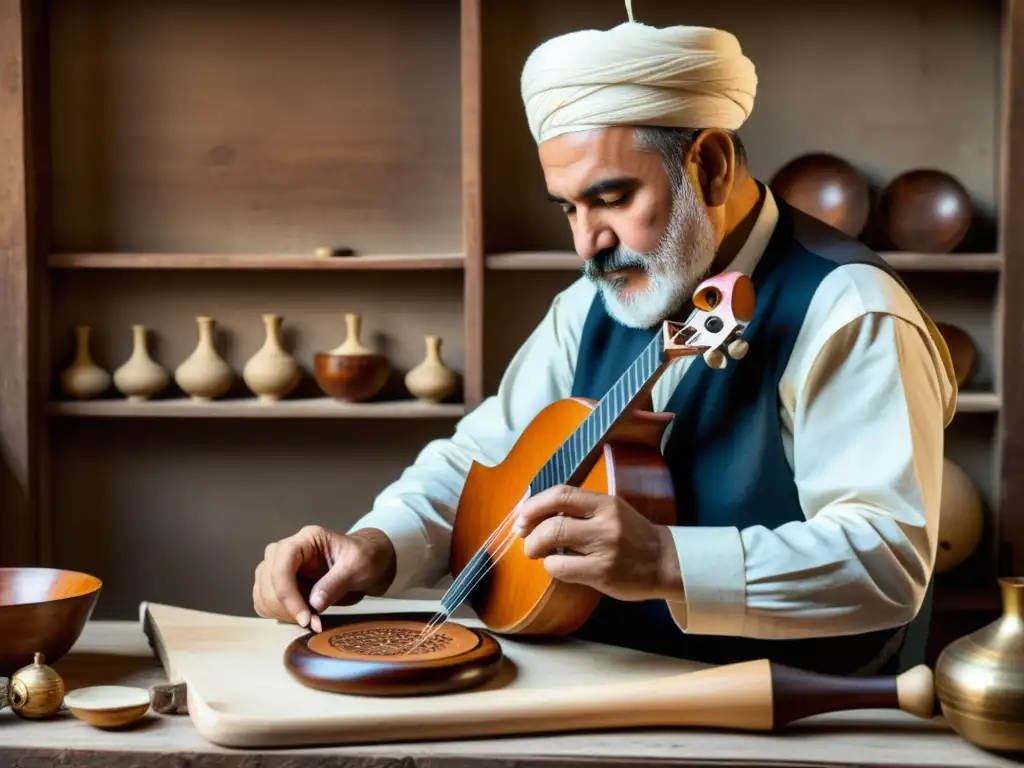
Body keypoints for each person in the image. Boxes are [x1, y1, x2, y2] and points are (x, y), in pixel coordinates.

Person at [253, 13, 957, 675]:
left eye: (612, 198)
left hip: (787, 715)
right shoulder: (593, 300)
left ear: (709, 166)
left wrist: (664, 560)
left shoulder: (850, 308)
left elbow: (885, 561)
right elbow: (482, 461)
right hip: (584, 680)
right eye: (569, 207)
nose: (587, 243)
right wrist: (378, 546)